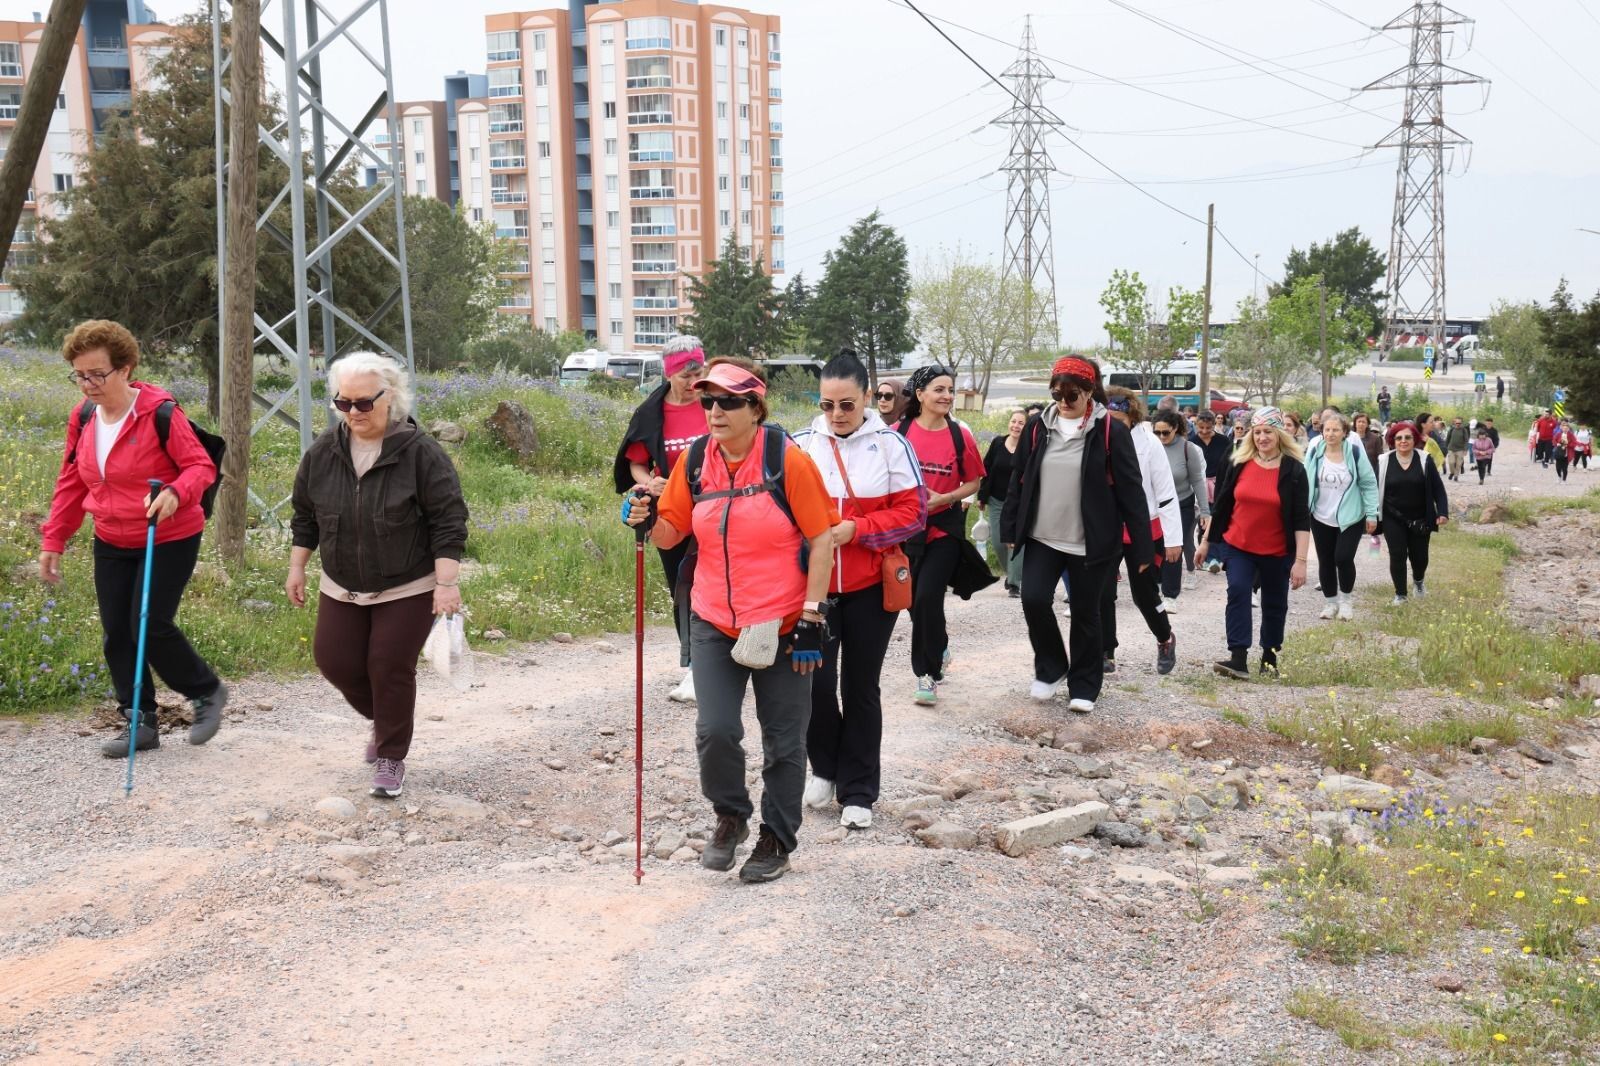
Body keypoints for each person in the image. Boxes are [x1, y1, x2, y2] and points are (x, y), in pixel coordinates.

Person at [623, 356, 836, 884]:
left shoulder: (789, 461)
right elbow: (673, 531)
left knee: (784, 740)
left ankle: (777, 837)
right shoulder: (696, 460)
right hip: (713, 614)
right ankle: (731, 816)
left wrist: (812, 613)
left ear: (755, 408)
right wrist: (647, 517)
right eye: (707, 401)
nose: (714, 411)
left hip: (784, 621)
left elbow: (822, 537)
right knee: (715, 730)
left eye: (727, 402)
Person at [40, 319, 229, 758]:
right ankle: (138, 721)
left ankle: (206, 693)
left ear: (125, 369)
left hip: (167, 534)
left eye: (96, 374)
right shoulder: (84, 417)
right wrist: (55, 538)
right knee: (116, 633)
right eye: (79, 374)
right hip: (110, 535)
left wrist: (175, 494)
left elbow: (201, 468)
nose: (87, 384)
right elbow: (72, 480)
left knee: (148, 623)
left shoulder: (160, 413)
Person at [286, 353, 467, 798]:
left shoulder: (421, 453)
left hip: (409, 581)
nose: (352, 413)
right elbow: (305, 515)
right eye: (342, 403)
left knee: (388, 666)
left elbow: (448, 520)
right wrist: (297, 567)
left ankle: (391, 756)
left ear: (391, 398)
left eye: (363, 403)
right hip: (341, 581)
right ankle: (386, 719)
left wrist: (446, 584)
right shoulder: (323, 453)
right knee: (335, 660)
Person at [793, 352, 925, 831]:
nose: (836, 415)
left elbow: (914, 513)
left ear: (868, 397)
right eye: (827, 404)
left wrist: (859, 529)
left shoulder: (891, 445)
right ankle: (824, 769)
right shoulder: (800, 445)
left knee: (860, 687)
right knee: (815, 685)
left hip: (871, 587)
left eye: (847, 404)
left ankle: (860, 790)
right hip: (815, 589)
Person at [1001, 356, 1150, 713]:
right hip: (1042, 536)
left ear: (1089, 392)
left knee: (1086, 611)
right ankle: (1051, 667)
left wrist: (1143, 548)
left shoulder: (1110, 431)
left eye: (1073, 395)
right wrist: (1010, 527)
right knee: (1034, 599)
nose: (1064, 402)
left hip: (1091, 541)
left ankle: (1084, 684)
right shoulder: (1038, 428)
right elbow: (1018, 480)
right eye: (1057, 395)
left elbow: (1131, 490)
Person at [613, 335, 708, 703]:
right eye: (685, 375)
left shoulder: (715, 404)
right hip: (671, 512)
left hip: (717, 510)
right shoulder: (652, 412)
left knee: (716, 584)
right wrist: (649, 482)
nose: (692, 382)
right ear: (669, 374)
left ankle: (719, 664)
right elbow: (635, 460)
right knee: (682, 586)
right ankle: (693, 666)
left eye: (697, 372)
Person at [1196, 408, 1311, 679]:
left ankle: (1269, 658)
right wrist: (1205, 543)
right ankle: (1238, 657)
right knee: (1237, 590)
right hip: (1238, 545)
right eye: (1257, 432)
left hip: (1277, 550)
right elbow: (1222, 506)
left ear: (1279, 434)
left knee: (1274, 602)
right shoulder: (1238, 462)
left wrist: (1301, 562)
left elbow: (1301, 519)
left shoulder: (1294, 470)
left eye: (1268, 432)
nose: (1262, 437)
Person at [895, 365, 985, 707]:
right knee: (913, 600)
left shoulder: (960, 435)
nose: (948, 395)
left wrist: (945, 498)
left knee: (927, 596)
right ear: (920, 395)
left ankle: (926, 674)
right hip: (906, 529)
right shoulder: (897, 433)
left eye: (950, 389)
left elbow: (975, 482)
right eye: (939, 389)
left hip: (944, 528)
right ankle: (940, 642)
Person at [1098, 389, 1181, 674]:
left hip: (1143, 526)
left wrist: (1173, 539)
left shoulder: (1149, 442)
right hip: (1107, 524)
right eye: (1108, 419)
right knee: (1102, 591)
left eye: (1119, 420)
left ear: (1131, 417)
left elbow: (1166, 493)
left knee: (1143, 594)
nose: (1113, 425)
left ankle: (1164, 637)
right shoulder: (1097, 438)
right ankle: (1105, 650)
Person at [1304, 412, 1378, 621]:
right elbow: (1305, 480)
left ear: (1345, 432)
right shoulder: (1315, 452)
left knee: (1343, 558)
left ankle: (1346, 601)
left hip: (1350, 516)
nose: (1331, 433)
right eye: (1327, 429)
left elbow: (1368, 483)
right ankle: (1330, 603)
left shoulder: (1354, 452)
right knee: (1325, 560)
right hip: (1320, 515)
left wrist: (1372, 514)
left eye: (1336, 429)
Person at [1376, 420, 1449, 605]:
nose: (1403, 441)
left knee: (1420, 557)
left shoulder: (1425, 459)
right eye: (1399, 438)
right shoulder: (1384, 461)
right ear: (1392, 440)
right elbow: (1373, 489)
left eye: (1407, 437)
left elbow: (1438, 489)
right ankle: (1400, 594)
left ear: (1414, 439)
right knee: (1397, 554)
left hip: (1421, 517)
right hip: (1393, 518)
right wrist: (1371, 515)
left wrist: (1442, 512)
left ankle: (1418, 582)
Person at [1153, 409, 1207, 606]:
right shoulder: (1151, 447)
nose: (1161, 437)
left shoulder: (1187, 448)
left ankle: (1170, 595)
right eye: (1156, 433)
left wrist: (1205, 510)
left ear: (1175, 429)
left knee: (1173, 546)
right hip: (1155, 506)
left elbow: (1198, 481)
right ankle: (1157, 584)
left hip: (1181, 505)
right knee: (1155, 546)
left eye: (1165, 432)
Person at [977, 408, 1027, 596]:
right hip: (996, 501)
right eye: (1014, 421)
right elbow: (986, 469)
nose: (1016, 426)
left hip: (1019, 504)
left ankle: (1014, 583)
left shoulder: (1028, 448)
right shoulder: (998, 443)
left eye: (1021, 423)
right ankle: (1012, 573)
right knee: (999, 542)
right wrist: (982, 495)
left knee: (1014, 542)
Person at [1443, 415, 1470, 481]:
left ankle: (1456, 476)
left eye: (1459, 423)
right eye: (1457, 423)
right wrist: (1445, 447)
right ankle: (1452, 473)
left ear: (1462, 423)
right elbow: (1448, 439)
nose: (1458, 424)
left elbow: (1466, 440)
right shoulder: (1451, 429)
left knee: (1458, 464)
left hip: (1460, 450)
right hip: (1451, 449)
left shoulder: (1464, 430)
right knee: (1451, 462)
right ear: (1454, 423)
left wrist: (1466, 449)